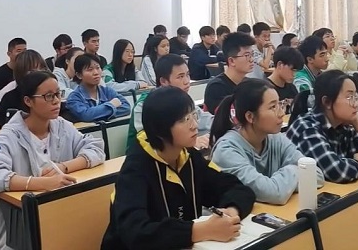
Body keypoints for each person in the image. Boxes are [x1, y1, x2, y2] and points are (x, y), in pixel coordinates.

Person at [101, 87, 255, 250]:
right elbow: (135, 233)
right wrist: (200, 231)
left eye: (193, 115)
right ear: (159, 129)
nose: (194, 125)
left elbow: (236, 188)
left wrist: (231, 211)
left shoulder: (188, 156)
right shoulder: (135, 170)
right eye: (184, 120)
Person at [0, 71, 105, 250]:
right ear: (28, 101)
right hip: (14, 232)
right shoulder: (10, 135)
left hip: (54, 221)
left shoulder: (61, 126)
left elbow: (96, 149)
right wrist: (40, 183)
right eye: (48, 96)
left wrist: (63, 167)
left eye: (58, 94)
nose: (56, 101)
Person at [210, 79, 324, 205]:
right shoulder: (226, 151)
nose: (281, 113)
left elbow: (317, 175)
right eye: (273, 107)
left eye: (280, 104)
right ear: (250, 117)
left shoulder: (276, 138)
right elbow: (273, 193)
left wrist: (281, 185)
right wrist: (295, 171)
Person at [286, 70, 358, 183]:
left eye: (355, 96)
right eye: (349, 97)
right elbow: (337, 172)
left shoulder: (345, 125)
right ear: (327, 102)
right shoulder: (308, 128)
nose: (356, 103)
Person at [129, 54, 213, 151]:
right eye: (180, 77)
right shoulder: (145, 105)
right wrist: (193, 142)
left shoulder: (183, 100)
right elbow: (150, 142)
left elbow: (208, 121)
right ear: (163, 81)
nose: (187, 81)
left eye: (187, 75)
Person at [66, 54, 131, 122]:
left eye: (98, 68)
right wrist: (111, 105)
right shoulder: (74, 97)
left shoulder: (107, 91)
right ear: (79, 75)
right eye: (90, 69)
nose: (96, 73)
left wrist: (98, 114)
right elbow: (86, 115)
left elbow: (126, 107)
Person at [0, 50, 49, 127]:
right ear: (21, 73)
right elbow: (1, 126)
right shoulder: (9, 98)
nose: (40, 74)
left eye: (43, 69)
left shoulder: (51, 94)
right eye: (33, 71)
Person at [203, 33, 255, 114]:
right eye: (247, 55)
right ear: (231, 61)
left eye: (252, 54)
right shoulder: (216, 87)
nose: (252, 60)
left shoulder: (250, 84)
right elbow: (225, 117)